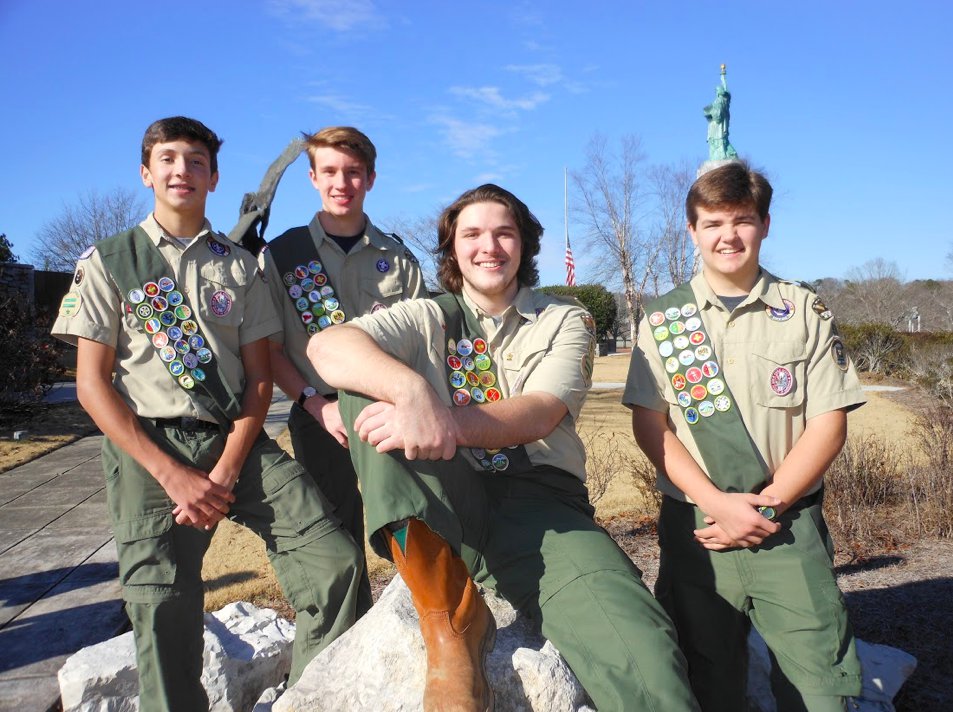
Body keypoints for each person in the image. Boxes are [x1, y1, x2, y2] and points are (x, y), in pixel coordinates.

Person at [307, 183, 699, 712]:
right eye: (472, 234)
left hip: (536, 505)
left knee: (641, 644)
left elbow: (541, 411)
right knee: (364, 387)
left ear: (524, 245)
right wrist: (412, 390)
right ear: (452, 249)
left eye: (503, 233)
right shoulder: (426, 316)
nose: (488, 246)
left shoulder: (565, 319)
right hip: (440, 501)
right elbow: (326, 347)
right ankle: (452, 624)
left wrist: (441, 419)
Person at [51, 116, 363, 712]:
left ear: (214, 178)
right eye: (168, 159)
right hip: (148, 453)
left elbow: (259, 378)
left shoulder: (239, 266)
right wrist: (173, 475)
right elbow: (91, 386)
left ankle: (310, 697)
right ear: (146, 173)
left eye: (196, 161)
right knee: (162, 611)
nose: (182, 171)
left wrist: (221, 472)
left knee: (335, 563)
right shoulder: (110, 261)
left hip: (234, 443)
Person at [623, 161, 863, 712]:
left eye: (742, 219)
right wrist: (717, 506)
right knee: (706, 682)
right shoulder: (664, 320)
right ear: (692, 231)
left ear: (765, 224)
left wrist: (767, 505)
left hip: (788, 525)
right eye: (712, 223)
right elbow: (649, 424)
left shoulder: (805, 311)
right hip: (697, 532)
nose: (728, 235)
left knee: (820, 691)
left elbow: (829, 421)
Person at [259, 126, 426, 617]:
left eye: (353, 172)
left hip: (389, 413)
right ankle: (347, 638)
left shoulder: (397, 257)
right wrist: (314, 403)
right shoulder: (282, 257)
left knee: (410, 521)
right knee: (335, 534)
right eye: (330, 171)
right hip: (318, 412)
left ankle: (424, 621)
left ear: (370, 178)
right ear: (312, 177)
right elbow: (269, 350)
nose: (342, 182)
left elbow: (423, 342)